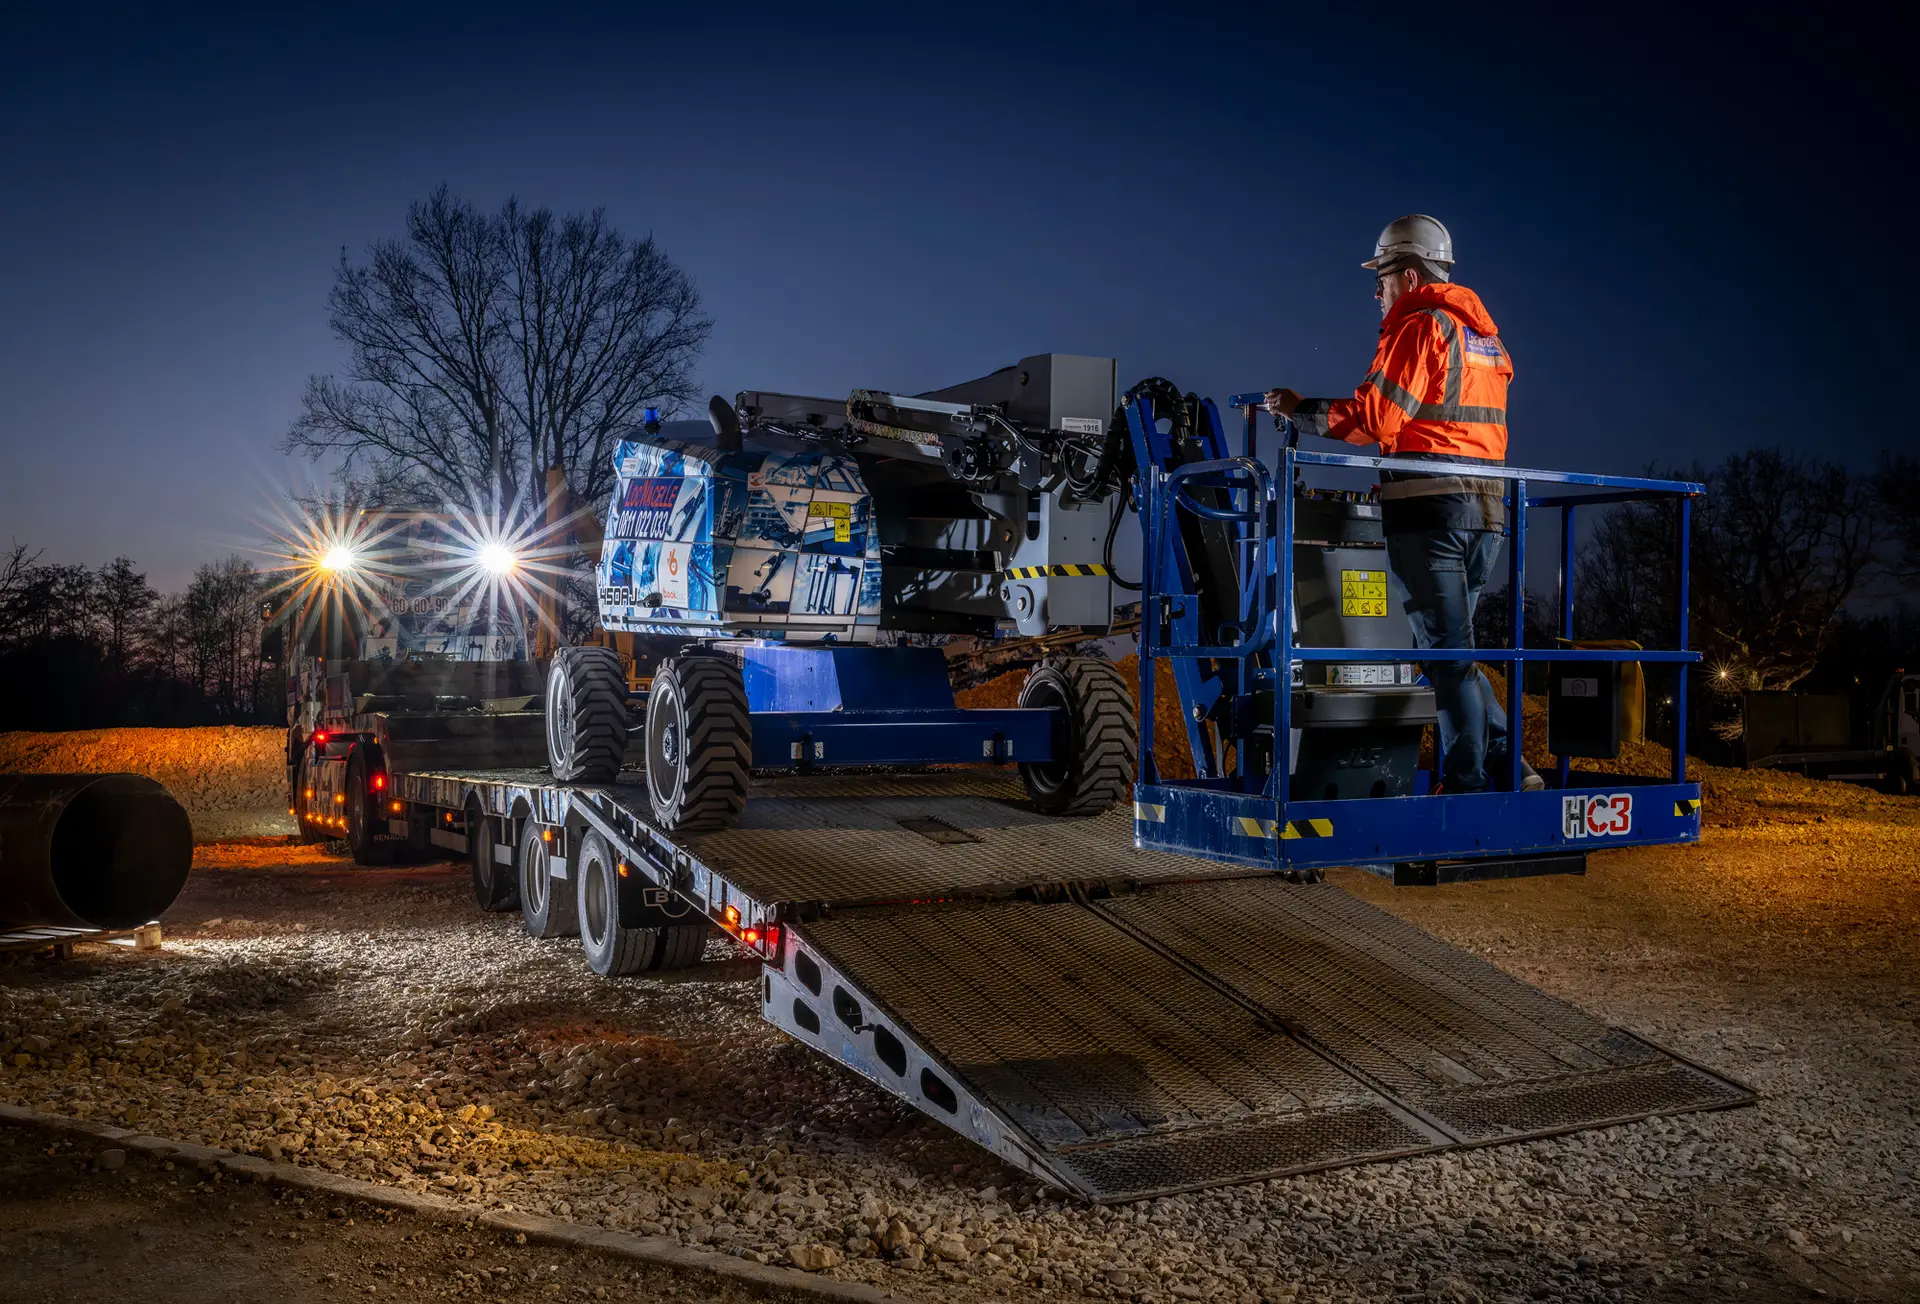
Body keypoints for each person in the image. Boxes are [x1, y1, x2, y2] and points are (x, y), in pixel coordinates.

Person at [1265, 214, 1544, 793]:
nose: (1377, 290)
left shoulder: (1421, 325)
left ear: (1412, 276)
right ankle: (1506, 760)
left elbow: (1376, 417)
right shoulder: (1485, 339)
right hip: (1487, 511)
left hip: (1430, 508)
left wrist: (1299, 410)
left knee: (1446, 652)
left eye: (1384, 276)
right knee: (1450, 644)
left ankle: (1468, 780)